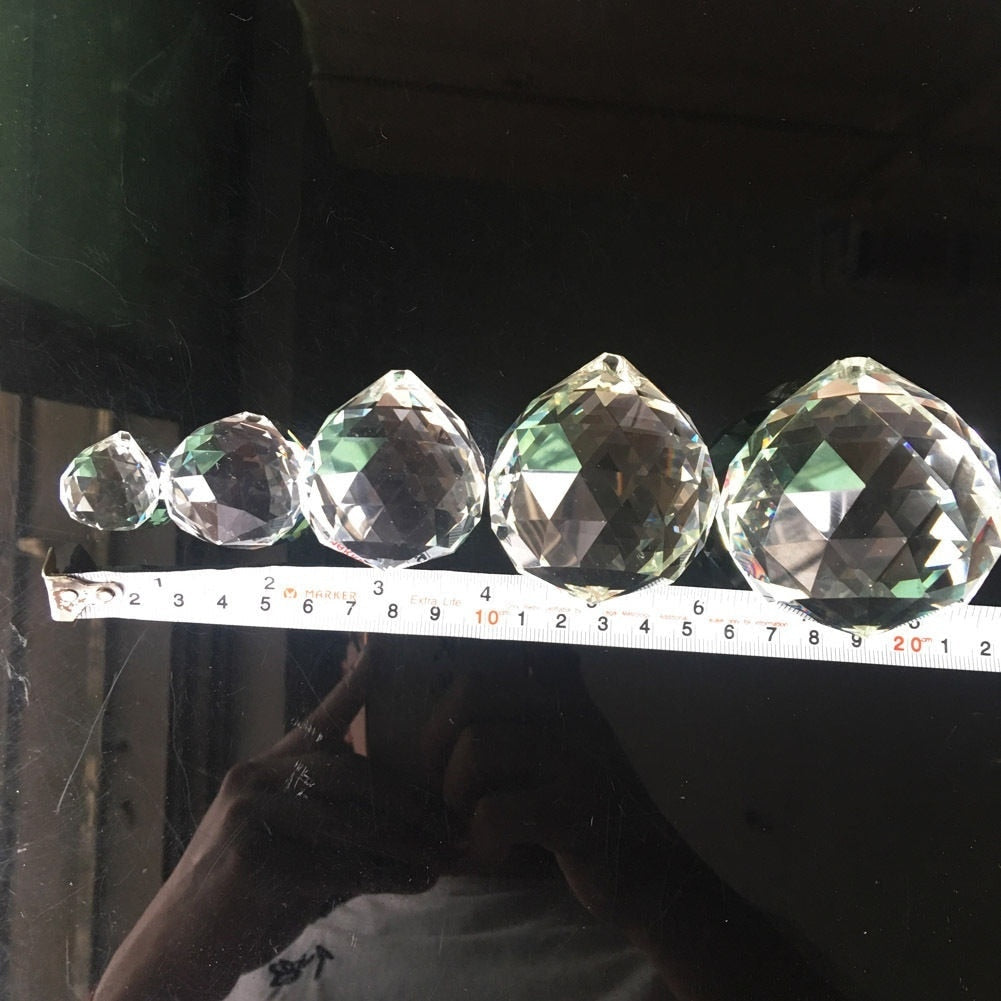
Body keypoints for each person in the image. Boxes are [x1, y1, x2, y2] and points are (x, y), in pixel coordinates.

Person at [92, 636, 845, 1001]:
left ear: (557, 678)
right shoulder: (247, 944)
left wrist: (652, 878)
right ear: (351, 681)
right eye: (406, 667)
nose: (448, 710)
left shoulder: (689, 952)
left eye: (468, 660)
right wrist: (168, 948)